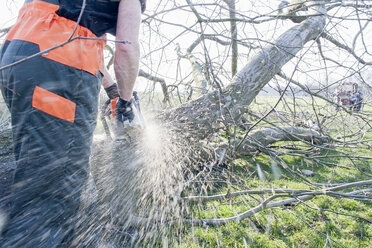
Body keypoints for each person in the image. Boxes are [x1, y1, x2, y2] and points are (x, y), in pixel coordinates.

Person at [0, 0, 146, 246]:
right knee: (54, 192)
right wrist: (126, 102)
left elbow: (70, 30)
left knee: (35, 171)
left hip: (19, 56)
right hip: (59, 69)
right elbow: (126, 48)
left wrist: (111, 89)